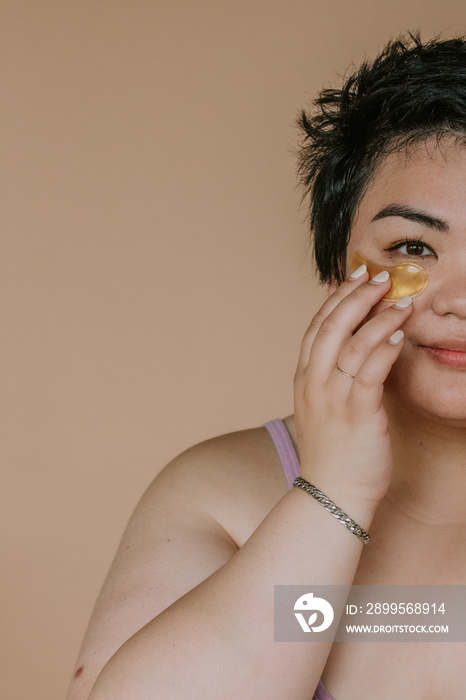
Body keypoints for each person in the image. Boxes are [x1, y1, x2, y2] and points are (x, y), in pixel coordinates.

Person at [67, 33, 466, 699]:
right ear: (338, 265)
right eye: (412, 247)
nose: (459, 302)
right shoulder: (223, 494)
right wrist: (333, 493)